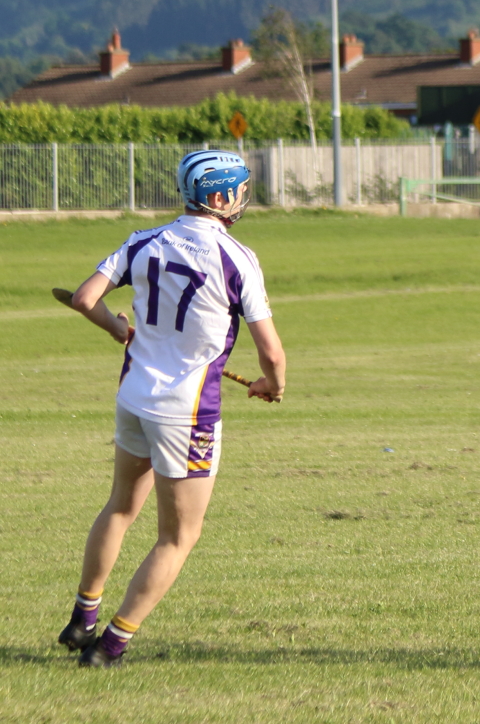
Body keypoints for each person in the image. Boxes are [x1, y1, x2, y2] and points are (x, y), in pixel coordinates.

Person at [57, 150, 286, 667]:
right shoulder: (237, 257)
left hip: (134, 396)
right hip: (185, 413)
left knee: (119, 505)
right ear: (220, 197)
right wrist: (272, 384)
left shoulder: (143, 240)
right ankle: (108, 647)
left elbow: (83, 297)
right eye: (240, 189)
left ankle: (82, 619)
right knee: (179, 537)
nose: (243, 198)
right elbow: (271, 352)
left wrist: (117, 327)